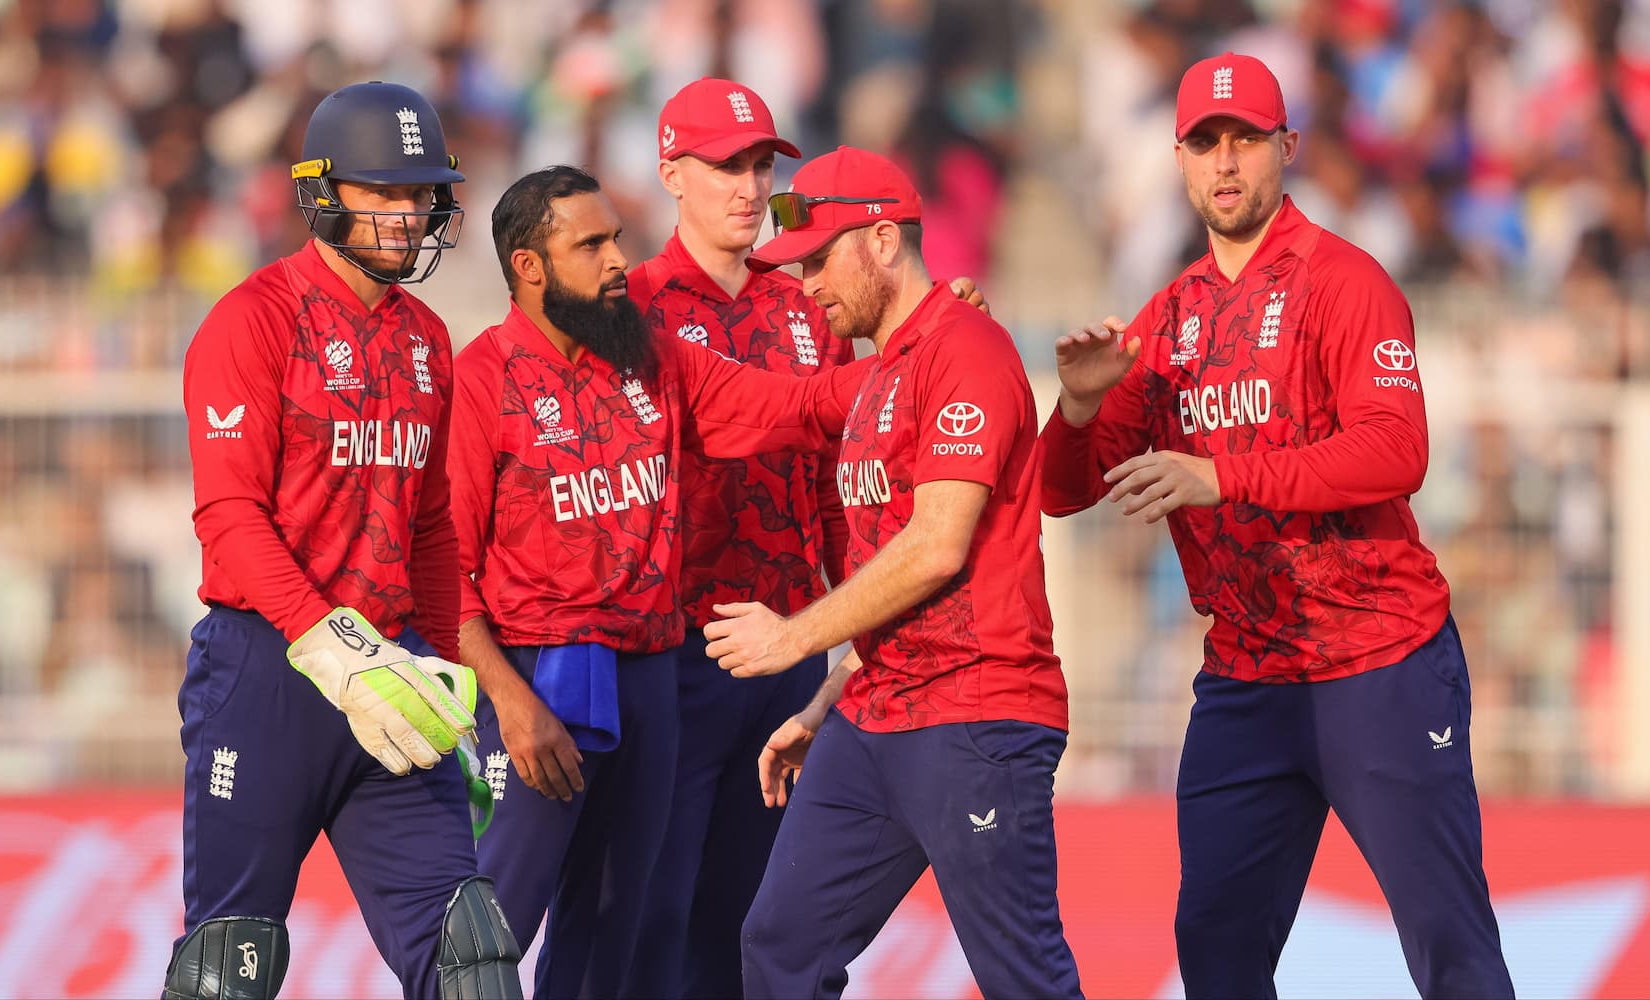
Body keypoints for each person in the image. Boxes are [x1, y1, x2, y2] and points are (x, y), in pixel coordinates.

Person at [1032, 52, 1515, 1000]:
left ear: (1286, 148)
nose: (1225, 161)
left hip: (1379, 660)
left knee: (1451, 952)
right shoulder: (1167, 319)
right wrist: (1079, 410)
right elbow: (1060, 490)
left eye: (1245, 139)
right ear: (1176, 159)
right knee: (1213, 952)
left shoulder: (1344, 281)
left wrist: (1223, 476)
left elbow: (1395, 450)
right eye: (1205, 142)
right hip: (1249, 677)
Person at [449, 164, 864, 999]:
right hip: (538, 680)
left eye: (616, 239)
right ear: (530, 268)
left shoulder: (653, 359)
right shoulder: (482, 378)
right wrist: (510, 703)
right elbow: (444, 573)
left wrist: (924, 342)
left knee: (620, 928)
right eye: (591, 244)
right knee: (486, 939)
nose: (615, 261)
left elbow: (793, 406)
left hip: (649, 673)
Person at [704, 145, 1081, 1000]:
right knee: (779, 947)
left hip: (975, 716)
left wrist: (791, 638)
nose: (805, 283)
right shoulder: (881, 372)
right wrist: (825, 698)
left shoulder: (968, 350)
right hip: (875, 717)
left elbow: (937, 546)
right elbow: (892, 570)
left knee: (1021, 976)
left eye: (817, 257)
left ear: (882, 239)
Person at [172, 81, 522, 1000]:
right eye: (384, 192)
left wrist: (451, 678)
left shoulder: (428, 338)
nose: (408, 215)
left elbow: (436, 528)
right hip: (268, 670)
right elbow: (228, 518)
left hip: (397, 672)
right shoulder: (253, 319)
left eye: (420, 194)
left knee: (473, 957)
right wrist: (327, 644)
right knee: (227, 969)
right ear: (323, 192)